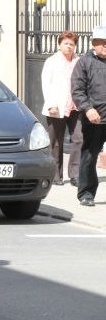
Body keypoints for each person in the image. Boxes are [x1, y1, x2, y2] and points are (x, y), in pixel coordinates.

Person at [71, 25, 106, 207]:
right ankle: (86, 193)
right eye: (102, 43)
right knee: (90, 156)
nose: (105, 46)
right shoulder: (84, 63)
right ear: (94, 44)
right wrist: (88, 108)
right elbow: (77, 90)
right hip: (95, 118)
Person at [41, 31, 82, 186]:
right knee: (56, 142)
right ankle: (56, 175)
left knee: (78, 139)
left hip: (75, 106)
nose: (69, 46)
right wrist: (51, 103)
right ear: (59, 45)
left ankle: (75, 174)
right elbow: (46, 83)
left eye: (72, 44)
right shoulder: (51, 61)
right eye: (66, 43)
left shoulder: (79, 61)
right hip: (57, 107)